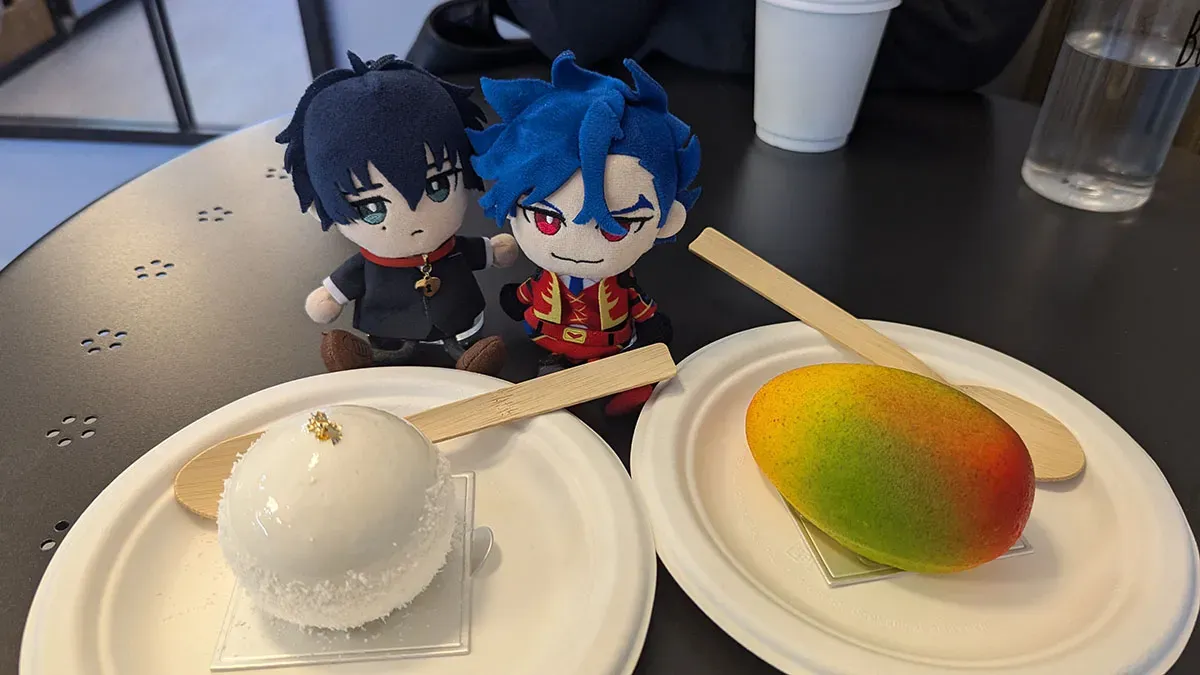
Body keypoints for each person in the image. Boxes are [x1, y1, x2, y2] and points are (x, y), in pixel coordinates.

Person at [468, 51, 701, 415]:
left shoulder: (620, 281)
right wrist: (519, 299)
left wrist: (651, 320)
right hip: (550, 338)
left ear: (667, 220)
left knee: (617, 370)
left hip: (606, 343)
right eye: (546, 220)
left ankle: (616, 383)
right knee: (550, 369)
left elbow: (636, 300)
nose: (578, 246)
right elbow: (530, 293)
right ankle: (556, 377)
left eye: (616, 227)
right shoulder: (547, 277)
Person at [276, 52, 518, 375]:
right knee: (386, 352)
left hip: (457, 317)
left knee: (468, 340)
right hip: (390, 324)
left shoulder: (450, 249)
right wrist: (330, 295)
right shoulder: (371, 263)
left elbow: (476, 251)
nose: (415, 215)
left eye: (438, 187)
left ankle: (470, 357)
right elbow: (347, 280)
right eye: (372, 208)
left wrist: (493, 251)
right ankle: (368, 359)